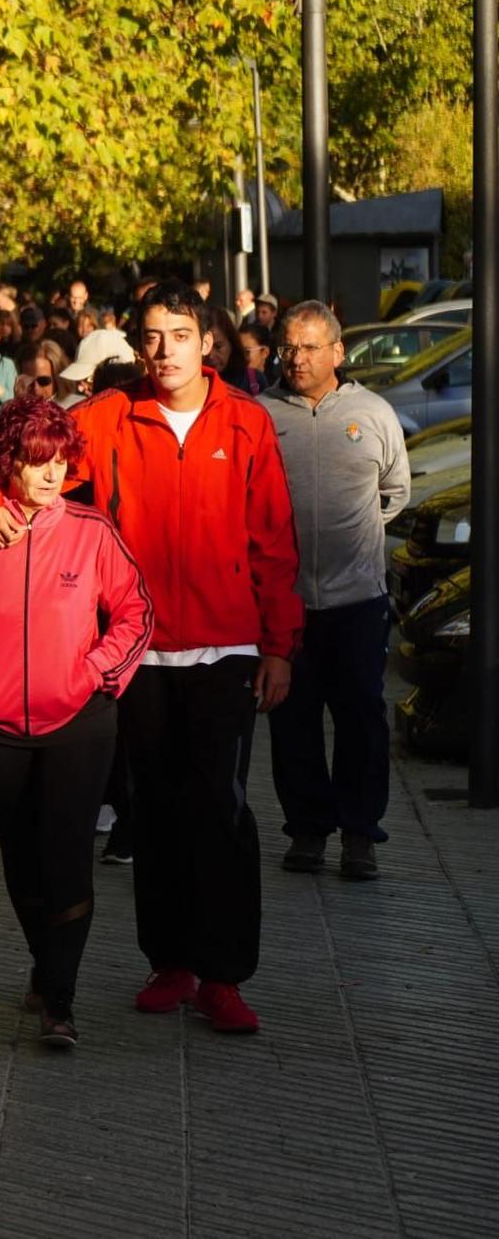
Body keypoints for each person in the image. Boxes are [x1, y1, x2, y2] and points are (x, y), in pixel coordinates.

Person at [0, 279, 304, 1036]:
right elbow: (19, 456)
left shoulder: (246, 422)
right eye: (150, 336)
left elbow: (275, 544)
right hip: (135, 654)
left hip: (226, 648)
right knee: (152, 811)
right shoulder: (109, 417)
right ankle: (171, 962)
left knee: (219, 810)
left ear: (206, 341)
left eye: (178, 335)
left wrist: (280, 646)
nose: (164, 351)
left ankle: (222, 974)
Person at [0, 399, 154, 1047]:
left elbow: (136, 613)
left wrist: (97, 673)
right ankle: (46, 963)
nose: (54, 473)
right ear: (7, 463)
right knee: (22, 860)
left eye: (61, 459)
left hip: (80, 725)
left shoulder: (90, 530)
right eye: (38, 460)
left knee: (66, 857)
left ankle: (60, 996)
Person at [262, 301, 410, 881]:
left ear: (338, 352)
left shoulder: (374, 413)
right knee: (292, 720)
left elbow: (393, 494)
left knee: (360, 720)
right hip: (286, 601)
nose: (296, 358)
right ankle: (306, 829)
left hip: (356, 601)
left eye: (308, 347)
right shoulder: (262, 412)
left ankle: (359, 834)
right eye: (288, 347)